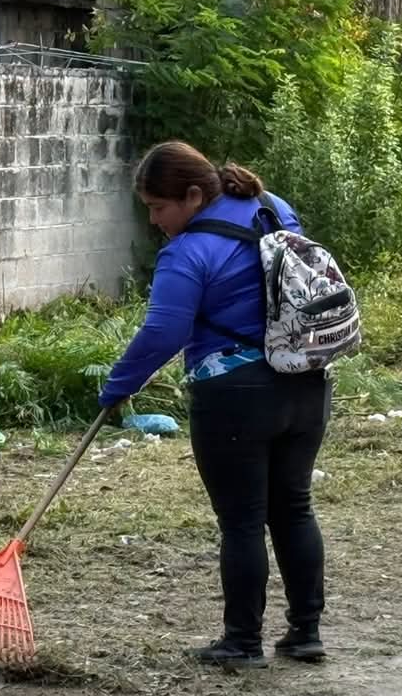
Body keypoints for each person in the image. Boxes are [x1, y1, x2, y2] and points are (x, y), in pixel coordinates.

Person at [98, 141, 331, 669]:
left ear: (194, 195)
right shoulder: (273, 208)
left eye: (159, 207)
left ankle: (242, 642)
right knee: (293, 508)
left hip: (235, 395)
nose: (155, 221)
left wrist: (118, 385)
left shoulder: (187, 252)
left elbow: (164, 331)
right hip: (306, 382)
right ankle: (306, 633)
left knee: (243, 522)